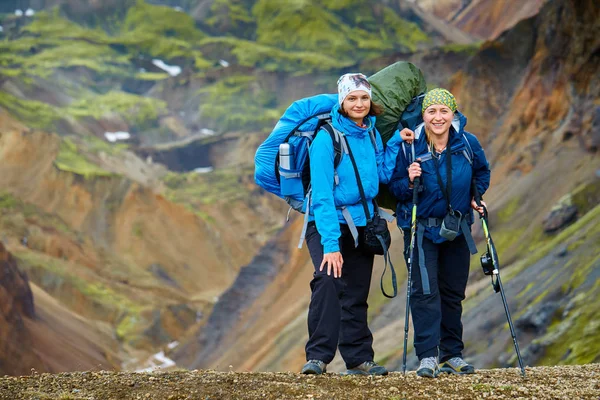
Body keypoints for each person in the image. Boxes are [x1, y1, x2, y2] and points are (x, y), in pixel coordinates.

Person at [301, 73, 401, 376]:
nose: (359, 103)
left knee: (356, 292)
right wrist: (331, 245)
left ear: (370, 101)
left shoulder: (371, 133)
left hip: (363, 223)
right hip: (327, 223)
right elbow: (321, 196)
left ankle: (358, 359)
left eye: (364, 98)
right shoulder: (325, 139)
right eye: (352, 98)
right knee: (329, 282)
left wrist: (397, 140)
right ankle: (317, 357)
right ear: (342, 101)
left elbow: (381, 175)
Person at [389, 88, 491, 378]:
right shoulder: (410, 148)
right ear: (424, 116)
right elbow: (394, 189)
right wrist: (408, 181)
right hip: (421, 232)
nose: (438, 117)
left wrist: (476, 194)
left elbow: (482, 173)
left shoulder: (468, 144)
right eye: (432, 111)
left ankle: (452, 354)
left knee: (452, 293)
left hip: (457, 229)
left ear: (453, 114)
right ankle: (427, 356)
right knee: (424, 293)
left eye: (444, 111)